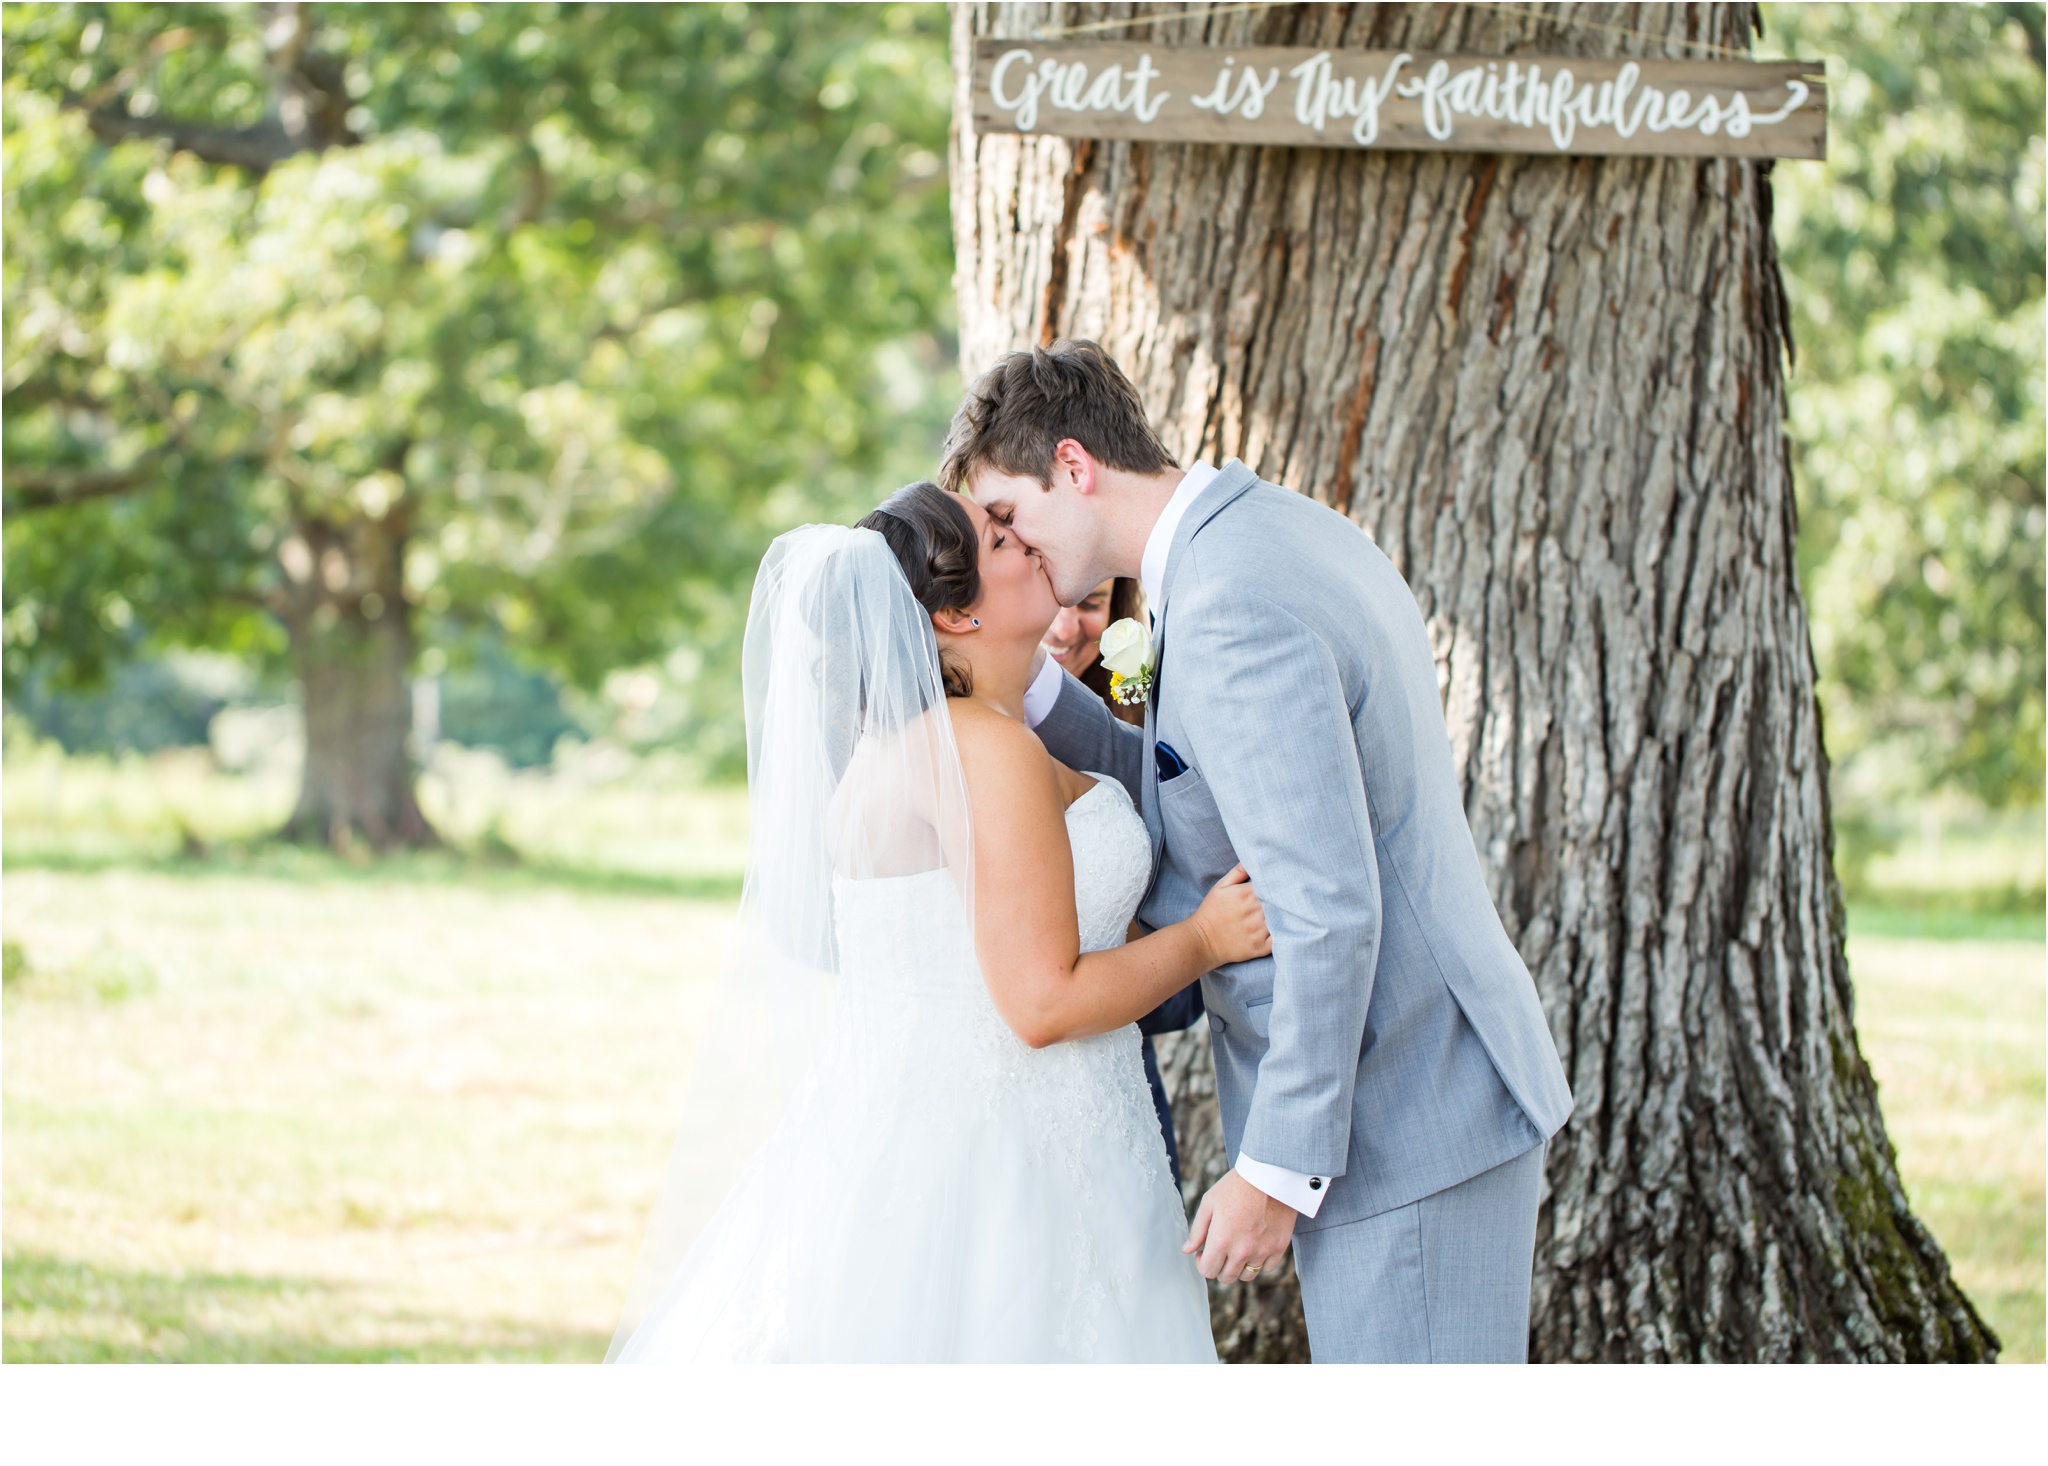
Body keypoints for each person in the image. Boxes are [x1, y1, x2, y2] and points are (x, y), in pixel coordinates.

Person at [950, 339, 1575, 1364]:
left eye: (1010, 516)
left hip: (1404, 1108)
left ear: (1072, 465)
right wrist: (1002, 682)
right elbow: (1191, 773)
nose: (1009, 548)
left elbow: (1324, 906)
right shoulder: (1263, 533)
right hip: (1417, 1086)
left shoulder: (1229, 603)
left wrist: (1275, 1167)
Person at [609, 481, 1271, 1363]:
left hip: (975, 1137)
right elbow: (1040, 1004)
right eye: (1001, 541)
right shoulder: (980, 750)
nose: (1027, 540)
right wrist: (1205, 939)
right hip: (1000, 1170)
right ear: (957, 617)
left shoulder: (930, 745)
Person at [1045, 576, 1203, 1187]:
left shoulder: (1141, 720)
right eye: (1053, 600)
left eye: (1089, 605)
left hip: (1115, 1078)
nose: (1064, 628)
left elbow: (1179, 1000)